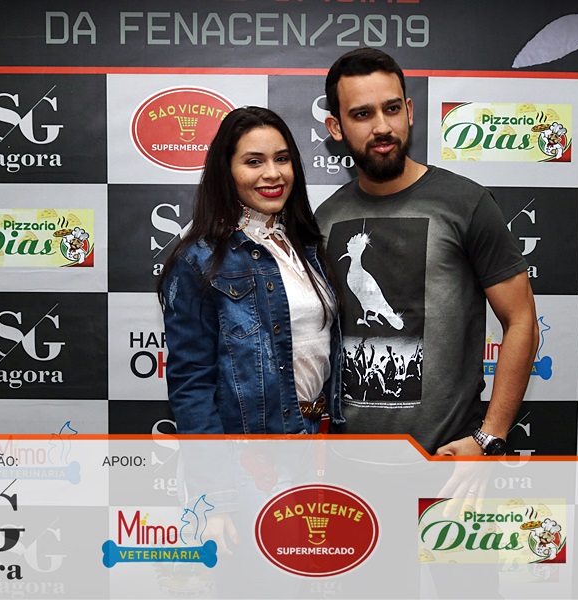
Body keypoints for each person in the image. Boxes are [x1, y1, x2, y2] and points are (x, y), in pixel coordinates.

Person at [315, 48, 539, 456]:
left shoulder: (466, 203)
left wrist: (489, 437)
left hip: (446, 463)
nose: (383, 126)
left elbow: (521, 319)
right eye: (362, 114)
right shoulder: (326, 218)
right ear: (336, 127)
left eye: (392, 109)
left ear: (410, 111)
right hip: (345, 462)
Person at [159, 106, 342, 435]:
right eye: (254, 162)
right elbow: (191, 383)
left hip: (321, 436)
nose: (273, 173)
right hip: (252, 449)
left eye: (282, 159)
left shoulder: (308, 248)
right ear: (227, 171)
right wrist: (214, 465)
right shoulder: (199, 259)